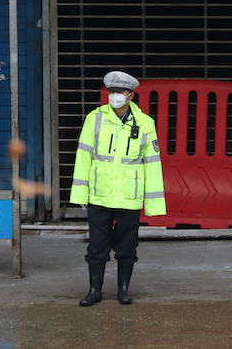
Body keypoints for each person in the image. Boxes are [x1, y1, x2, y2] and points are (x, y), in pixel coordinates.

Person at [70, 70, 166, 306]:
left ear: (131, 95)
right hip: (100, 196)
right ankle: (95, 291)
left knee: (127, 247)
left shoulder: (145, 123)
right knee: (97, 246)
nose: (115, 96)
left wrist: (153, 204)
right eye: (111, 91)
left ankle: (123, 290)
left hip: (128, 197)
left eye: (120, 92)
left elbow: (152, 164)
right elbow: (83, 156)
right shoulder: (95, 118)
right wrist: (81, 194)